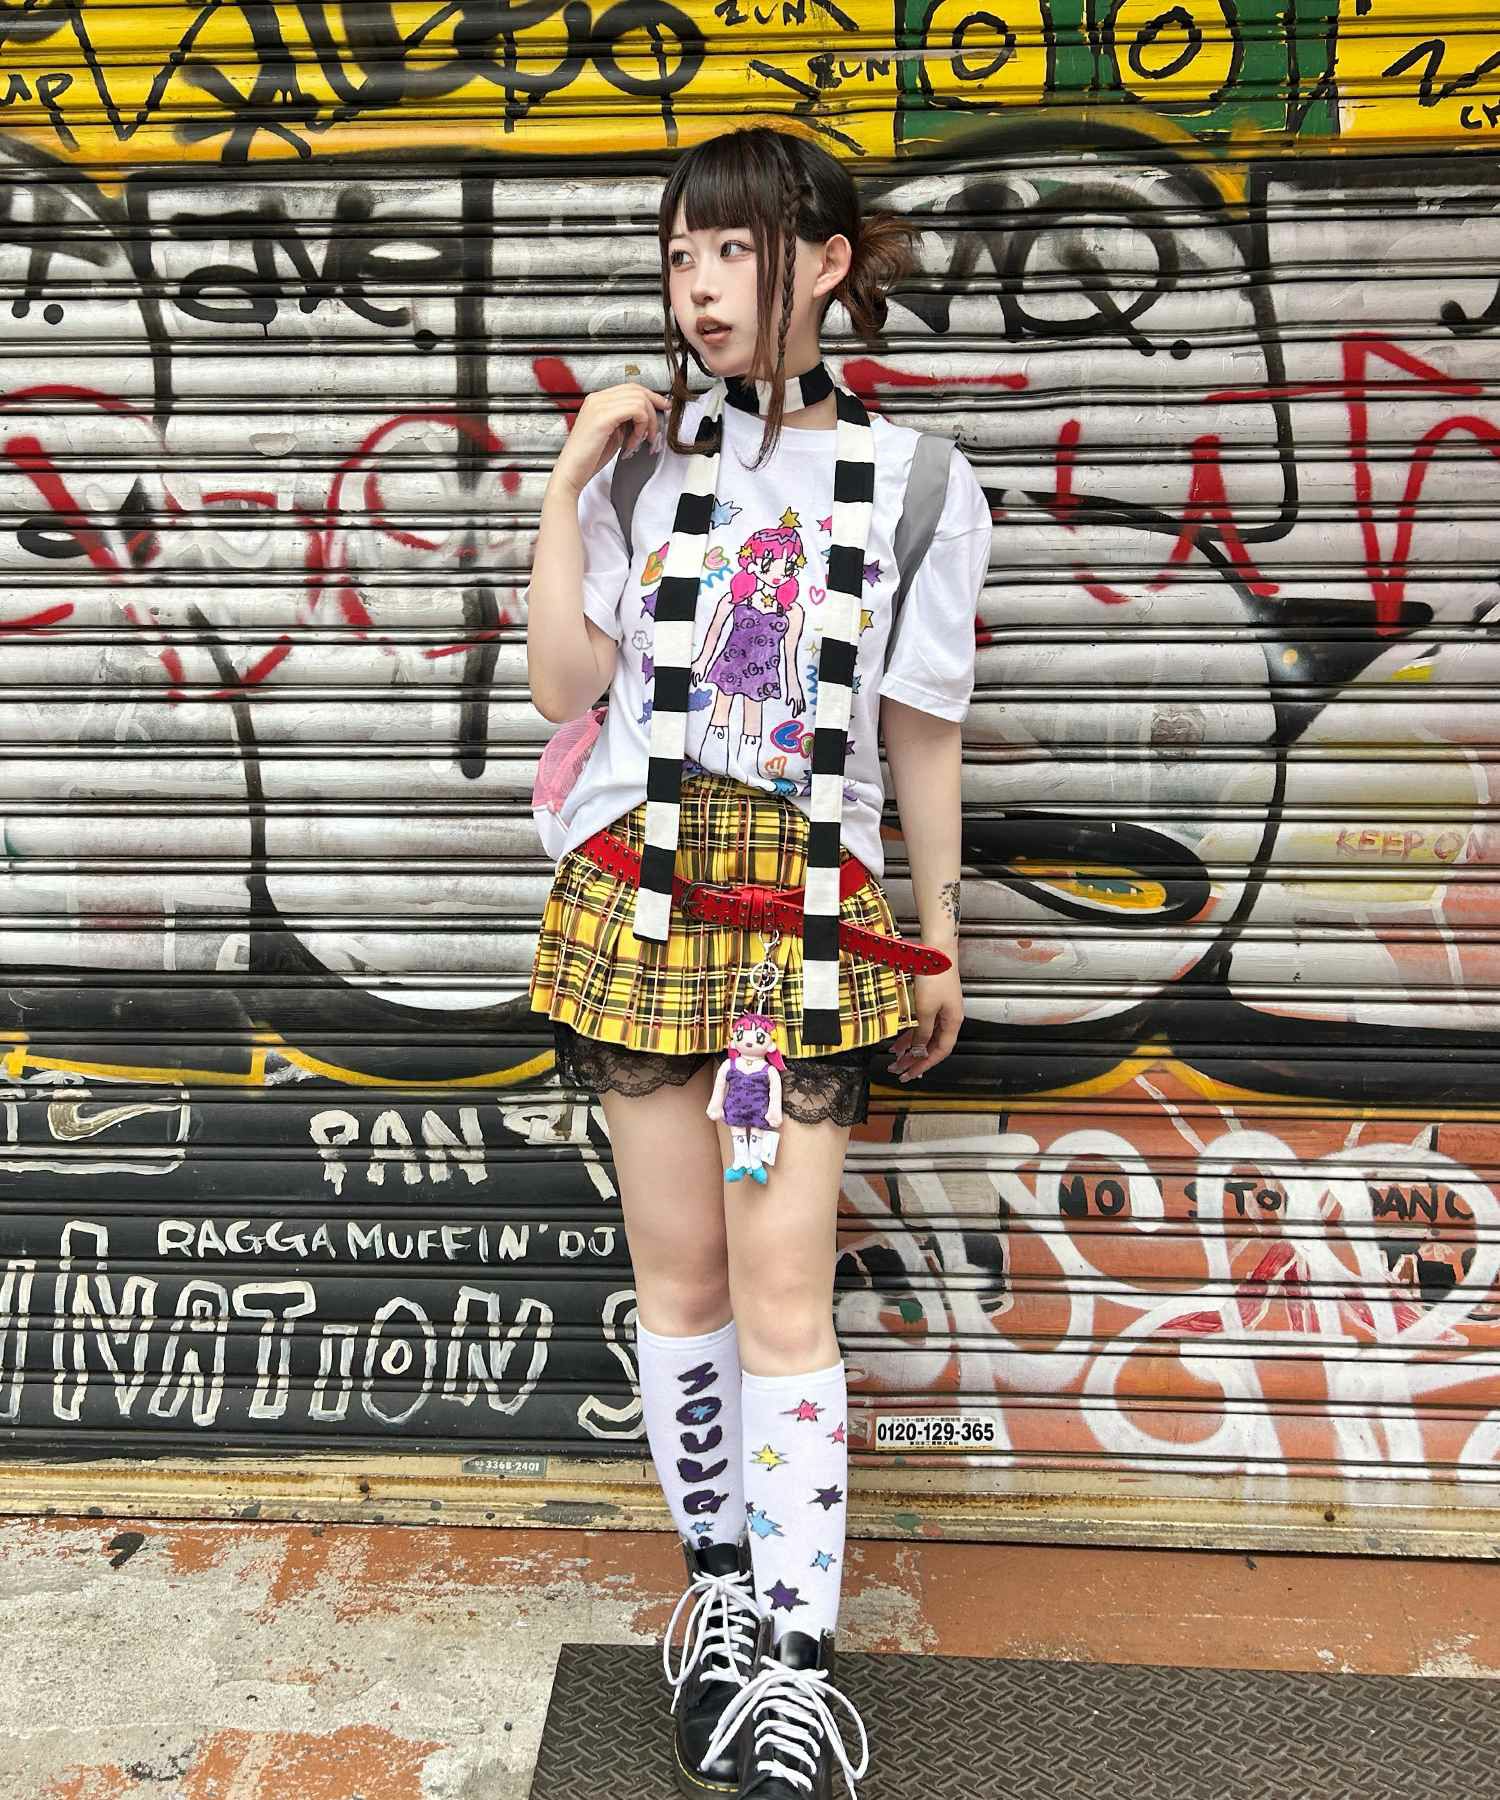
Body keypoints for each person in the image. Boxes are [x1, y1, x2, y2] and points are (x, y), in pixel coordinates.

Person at [525, 123, 989, 1799]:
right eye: (680, 256)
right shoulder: (640, 468)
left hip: (808, 913)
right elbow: (564, 693)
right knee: (684, 1289)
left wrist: (937, 933)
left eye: (734, 249)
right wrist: (566, 484)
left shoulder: (918, 483)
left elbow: (922, 729)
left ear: (827, 262)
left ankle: (794, 1666)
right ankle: (721, 1601)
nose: (701, 288)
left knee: (785, 1297)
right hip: (640, 901)